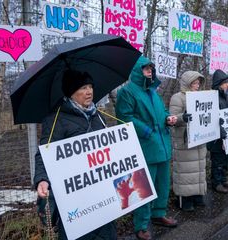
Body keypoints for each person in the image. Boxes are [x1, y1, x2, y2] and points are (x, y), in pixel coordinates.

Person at [34, 69, 117, 240]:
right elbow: (44, 154)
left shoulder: (98, 116)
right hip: (75, 198)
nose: (89, 92)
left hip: (102, 192)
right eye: (83, 87)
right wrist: (42, 179)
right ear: (71, 92)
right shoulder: (56, 119)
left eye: (90, 86)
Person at [115, 56, 177, 240]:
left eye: (151, 68)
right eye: (146, 68)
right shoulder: (126, 92)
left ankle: (159, 213)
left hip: (162, 145)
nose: (150, 71)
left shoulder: (153, 91)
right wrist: (147, 131)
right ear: (137, 70)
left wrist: (167, 118)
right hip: (145, 145)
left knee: (162, 183)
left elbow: (161, 111)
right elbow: (124, 118)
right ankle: (141, 225)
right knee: (143, 187)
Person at [169, 71, 207, 212]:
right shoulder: (177, 98)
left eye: (198, 83)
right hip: (184, 141)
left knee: (198, 168)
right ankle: (185, 199)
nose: (197, 86)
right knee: (185, 170)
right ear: (187, 83)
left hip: (199, 139)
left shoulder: (201, 97)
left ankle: (197, 195)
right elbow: (172, 118)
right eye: (194, 83)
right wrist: (182, 118)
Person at [207, 69, 228, 194]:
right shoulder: (212, 97)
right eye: (226, 83)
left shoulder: (225, 97)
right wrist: (221, 131)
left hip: (225, 134)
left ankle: (223, 179)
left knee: (225, 158)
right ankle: (216, 182)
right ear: (219, 84)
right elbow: (213, 118)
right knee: (217, 159)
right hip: (216, 137)